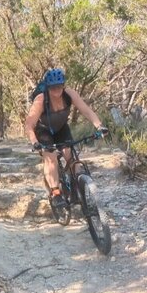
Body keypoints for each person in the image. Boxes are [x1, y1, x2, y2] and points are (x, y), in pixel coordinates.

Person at [25, 68, 107, 209]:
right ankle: (56, 193)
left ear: (63, 85)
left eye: (59, 86)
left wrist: (99, 126)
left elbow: (86, 110)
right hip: (43, 130)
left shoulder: (69, 94)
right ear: (48, 88)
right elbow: (29, 124)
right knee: (50, 158)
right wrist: (35, 142)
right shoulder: (41, 100)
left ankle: (76, 187)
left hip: (61, 128)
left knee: (70, 155)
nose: (56, 91)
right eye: (53, 88)